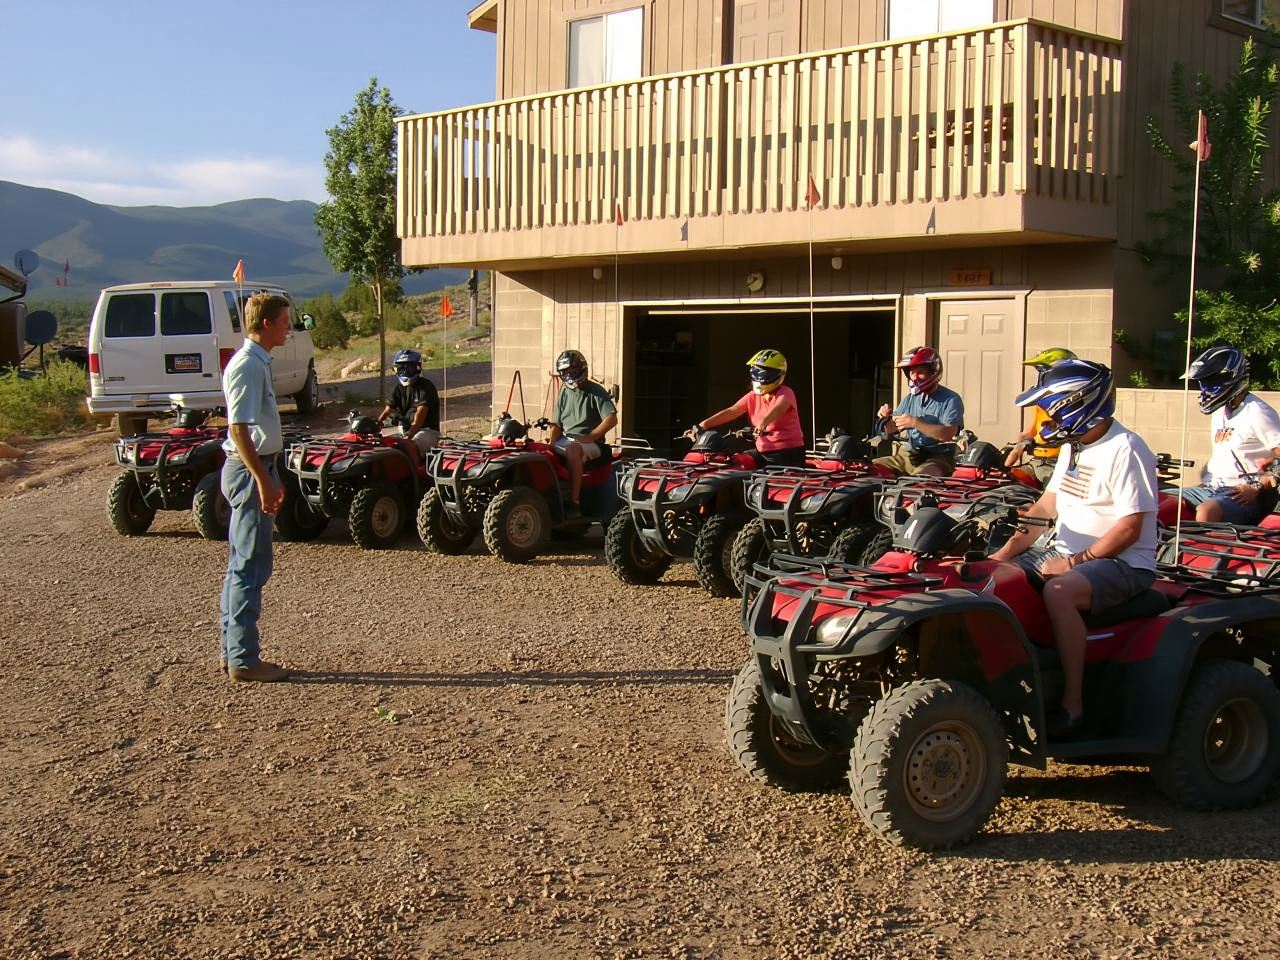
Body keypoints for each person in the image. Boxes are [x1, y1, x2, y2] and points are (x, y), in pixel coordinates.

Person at [989, 360, 1158, 736]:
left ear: (1078, 404)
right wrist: (999, 558)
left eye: (1052, 407)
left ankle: (1073, 705)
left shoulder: (1126, 448)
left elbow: (1130, 528)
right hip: (1064, 552)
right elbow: (1045, 509)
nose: (1047, 417)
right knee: (996, 582)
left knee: (1060, 592)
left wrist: (1075, 562)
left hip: (1125, 563)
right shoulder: (1072, 447)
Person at [219, 293, 292, 683]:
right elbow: (238, 428)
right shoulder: (248, 365)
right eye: (283, 321)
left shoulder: (254, 362)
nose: (288, 328)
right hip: (251, 470)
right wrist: (263, 480)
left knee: (241, 563)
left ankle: (233, 651)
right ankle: (244, 659)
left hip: (256, 468)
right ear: (266, 323)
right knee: (250, 564)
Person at [1178, 346, 1280, 524]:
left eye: (1211, 382)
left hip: (1243, 494)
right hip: (1212, 489)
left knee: (1206, 511)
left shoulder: (1257, 412)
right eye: (1203, 383)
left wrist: (1256, 486)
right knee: (1163, 499)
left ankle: (1203, 543)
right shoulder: (1220, 411)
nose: (1205, 389)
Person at [687, 349, 807, 467]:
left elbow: (777, 409)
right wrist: (702, 425)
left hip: (787, 455)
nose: (760, 378)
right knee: (731, 464)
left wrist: (763, 424)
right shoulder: (753, 396)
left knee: (764, 478)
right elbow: (732, 411)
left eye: (765, 375)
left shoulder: (786, 392)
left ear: (778, 375)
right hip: (761, 452)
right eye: (756, 373)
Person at [874, 346, 964, 477]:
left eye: (920, 372)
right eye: (912, 373)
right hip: (908, 455)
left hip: (938, 457)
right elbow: (892, 428)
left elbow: (948, 434)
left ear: (933, 372)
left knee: (921, 479)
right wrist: (885, 418)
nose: (915, 377)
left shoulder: (951, 399)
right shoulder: (910, 398)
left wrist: (916, 423)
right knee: (869, 469)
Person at [549, 349, 617, 518]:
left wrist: (590, 437)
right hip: (568, 439)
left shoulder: (596, 391)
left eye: (573, 370)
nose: (570, 375)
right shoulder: (564, 392)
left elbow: (611, 419)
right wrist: (550, 443)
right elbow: (556, 424)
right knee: (540, 451)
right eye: (566, 372)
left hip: (592, 443)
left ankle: (574, 502)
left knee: (573, 449)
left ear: (581, 368)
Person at [1004, 347, 1078, 484]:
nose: (1043, 377)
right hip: (1036, 462)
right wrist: (1019, 447)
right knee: (1004, 485)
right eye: (1041, 372)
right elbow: (1031, 431)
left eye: (1046, 372)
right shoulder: (1042, 401)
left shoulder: (1076, 402)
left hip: (1060, 465)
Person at [376, 349, 441, 459]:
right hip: (404, 431)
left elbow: (418, 421)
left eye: (409, 368)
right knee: (381, 444)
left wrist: (407, 438)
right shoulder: (398, 389)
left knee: (406, 446)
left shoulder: (425, 387)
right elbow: (387, 411)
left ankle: (414, 469)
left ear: (417, 368)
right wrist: (374, 428)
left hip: (427, 431)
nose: (405, 372)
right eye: (401, 369)